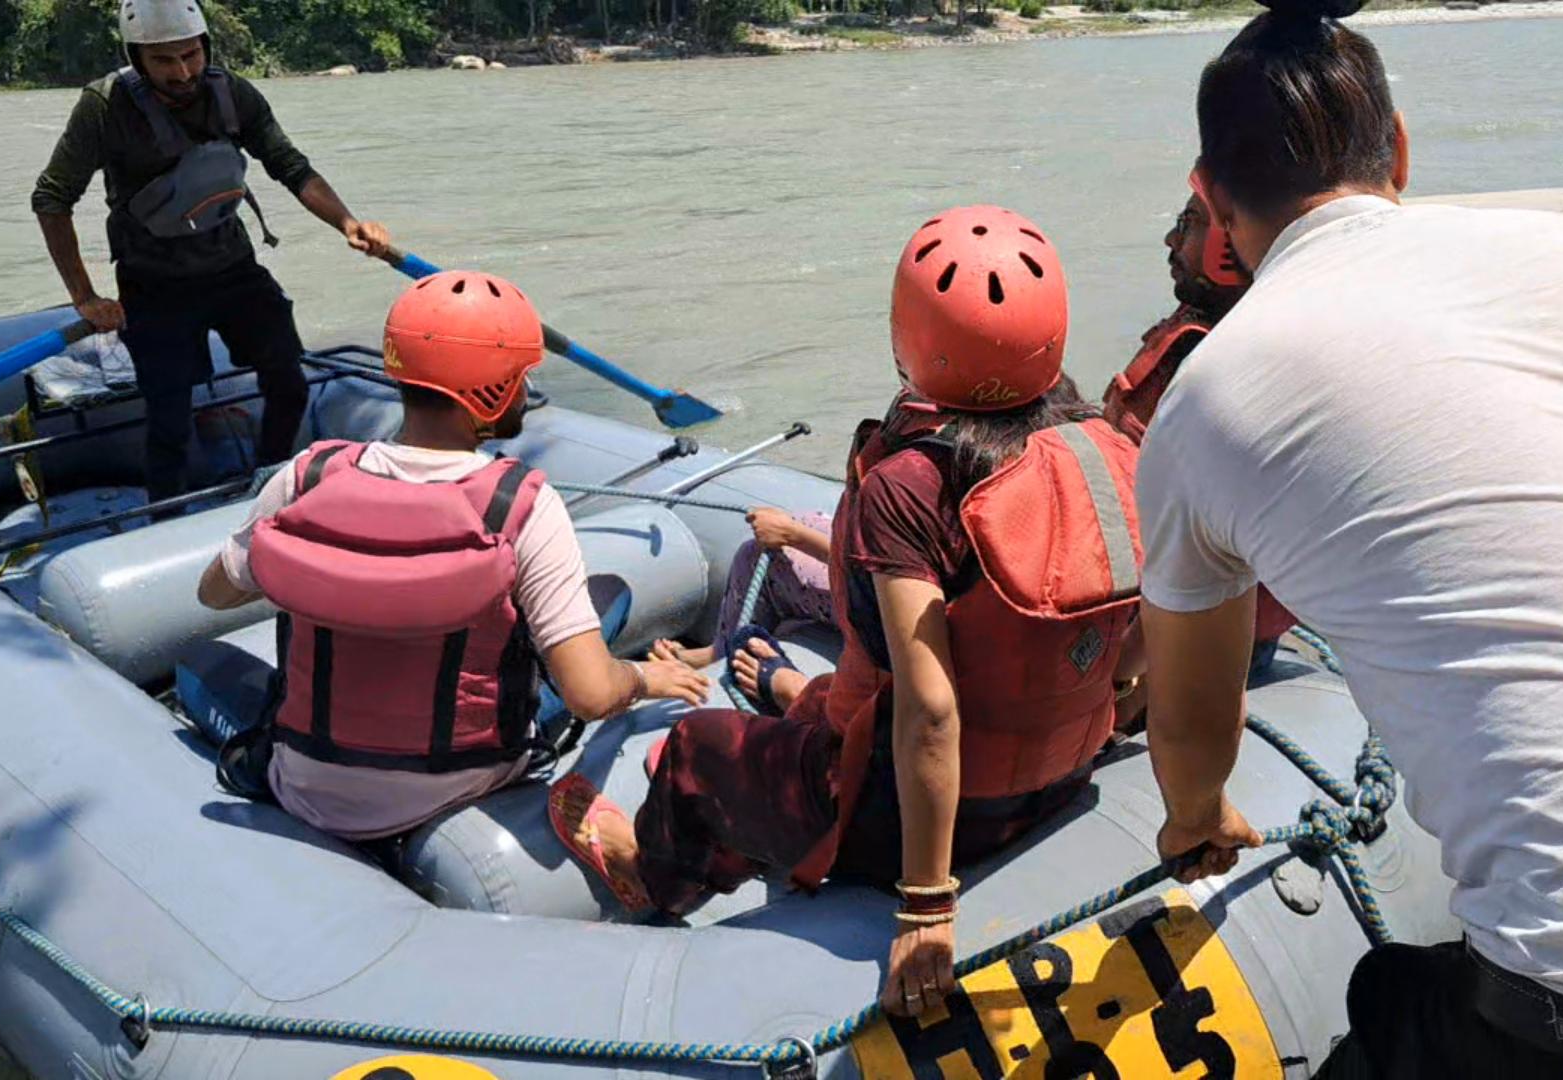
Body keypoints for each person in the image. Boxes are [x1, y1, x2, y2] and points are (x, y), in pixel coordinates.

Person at [1135, 0, 1563, 1074]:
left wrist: (1193, 822)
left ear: (1210, 204)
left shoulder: (1207, 400)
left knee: (1391, 1010)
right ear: (1399, 150)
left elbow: (1193, 729)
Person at [548, 206, 1146, 1020]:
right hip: (1057, 774)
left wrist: (927, 909)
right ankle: (802, 705)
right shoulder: (1105, 449)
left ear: (909, 335)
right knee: (813, 701)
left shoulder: (910, 486)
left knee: (694, 747)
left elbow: (931, 709)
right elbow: (1144, 642)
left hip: (902, 815)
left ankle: (648, 879)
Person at [195, 271, 708, 842]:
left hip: (304, 779)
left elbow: (214, 593)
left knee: (212, 670)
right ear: (496, 389)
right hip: (461, 781)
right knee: (606, 604)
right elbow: (589, 696)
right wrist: (640, 679)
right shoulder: (522, 507)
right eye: (520, 376)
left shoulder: (307, 477)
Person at [32, 0, 393, 507]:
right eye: (165, 61)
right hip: (152, 283)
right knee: (169, 422)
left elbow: (291, 166)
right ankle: (167, 521)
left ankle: (267, 487)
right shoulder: (104, 107)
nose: (183, 72)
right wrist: (85, 297)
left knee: (289, 383)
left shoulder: (234, 93)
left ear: (206, 45)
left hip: (233, 270)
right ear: (136, 58)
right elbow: (51, 199)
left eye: (191, 55)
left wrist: (348, 222)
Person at [1103, 186, 1296, 691]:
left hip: (1187, 642)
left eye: (1188, 224)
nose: (1171, 239)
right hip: (1207, 624)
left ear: (1229, 241)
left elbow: (1187, 555)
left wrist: (1119, 678)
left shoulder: (1210, 373)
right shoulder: (1251, 341)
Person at [647, 506, 836, 714]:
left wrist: (795, 535)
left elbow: (868, 567)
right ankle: (730, 642)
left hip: (871, 605)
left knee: (755, 555)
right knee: (811, 519)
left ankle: (720, 651)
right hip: (868, 580)